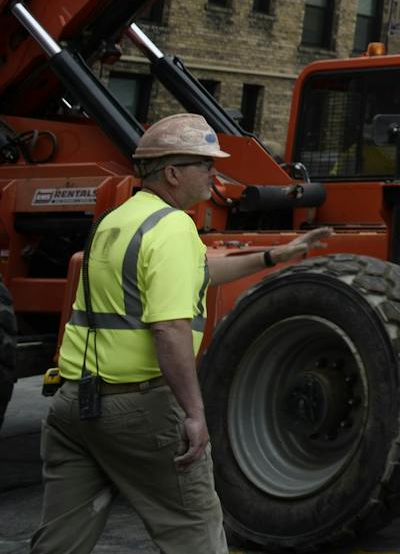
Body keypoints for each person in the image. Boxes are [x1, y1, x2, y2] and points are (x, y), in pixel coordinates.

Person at [32, 113, 332, 554]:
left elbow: (200, 269)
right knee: (193, 529)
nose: (214, 173)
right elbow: (169, 329)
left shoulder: (119, 220)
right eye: (204, 165)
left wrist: (275, 255)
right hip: (138, 407)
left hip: (75, 405)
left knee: (61, 540)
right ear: (172, 173)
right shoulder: (173, 227)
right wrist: (194, 412)